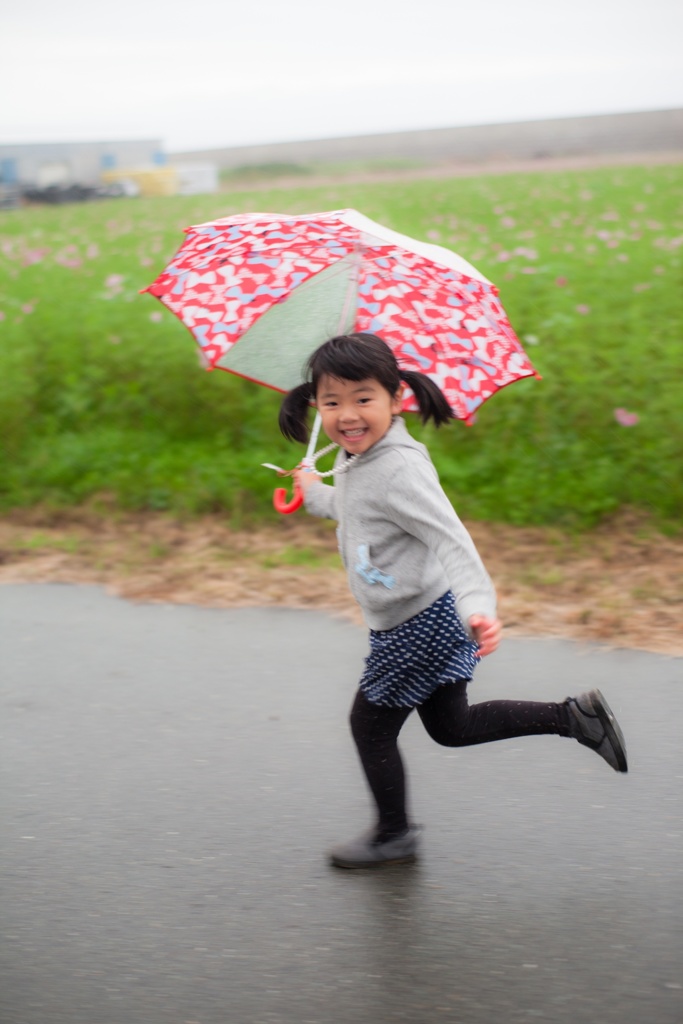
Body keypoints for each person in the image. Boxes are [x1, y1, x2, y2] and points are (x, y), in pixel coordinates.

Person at [279, 333, 628, 869]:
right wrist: (313, 492)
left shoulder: (398, 469)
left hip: (417, 624)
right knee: (451, 727)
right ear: (317, 405)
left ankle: (394, 834)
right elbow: (355, 514)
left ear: (397, 399)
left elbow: (451, 540)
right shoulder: (358, 459)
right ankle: (574, 717)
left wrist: (478, 606)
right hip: (427, 616)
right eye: (332, 401)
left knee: (368, 726)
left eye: (363, 398)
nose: (347, 414)